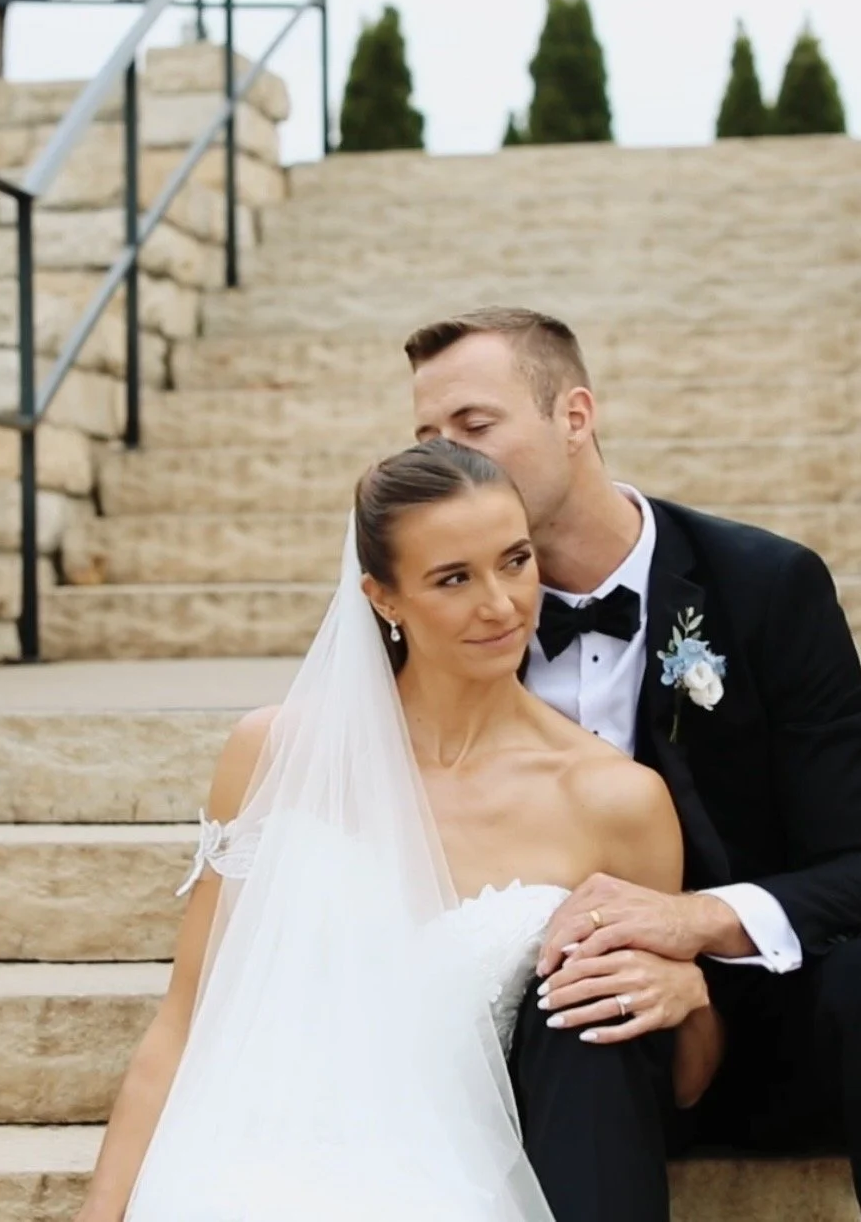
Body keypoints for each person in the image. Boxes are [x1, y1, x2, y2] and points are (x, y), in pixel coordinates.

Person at [408, 306, 861, 1222]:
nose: (452, 458)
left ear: (575, 416)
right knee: (587, 1004)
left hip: (766, 1026)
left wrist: (694, 931)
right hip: (554, 1060)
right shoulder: (435, 618)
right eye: (428, 437)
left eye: (475, 427)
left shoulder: (766, 587)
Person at [74, 439, 726, 1222]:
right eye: (454, 578)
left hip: (452, 1182)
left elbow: (680, 1081)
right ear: (382, 596)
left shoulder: (613, 799)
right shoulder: (274, 753)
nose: (502, 604)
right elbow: (183, 1021)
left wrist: (692, 997)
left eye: (515, 560)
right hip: (230, 1164)